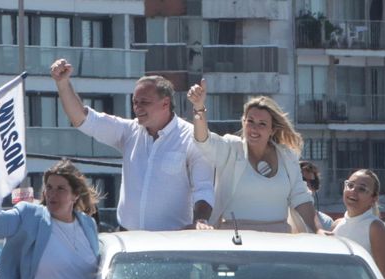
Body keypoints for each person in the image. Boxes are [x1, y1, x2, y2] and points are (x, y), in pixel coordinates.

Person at [50, 58, 214, 231]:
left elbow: (203, 188)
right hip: (129, 240)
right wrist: (62, 83)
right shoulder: (129, 132)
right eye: (135, 102)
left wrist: (200, 221)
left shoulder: (192, 137)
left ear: (165, 103)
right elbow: (82, 119)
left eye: (144, 102)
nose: (137, 108)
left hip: (172, 243)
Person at [187, 79, 320, 233]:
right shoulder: (232, 147)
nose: (255, 128)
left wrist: (319, 229)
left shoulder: (287, 156)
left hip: (279, 240)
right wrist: (198, 107)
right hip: (235, 239)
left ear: (272, 130)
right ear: (243, 123)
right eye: (250, 121)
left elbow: (301, 198)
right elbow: (203, 141)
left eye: (262, 124)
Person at [0, 159, 100, 279]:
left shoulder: (88, 224)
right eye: (49, 187)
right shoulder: (29, 216)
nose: (52, 194)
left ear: (76, 194)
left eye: (60, 189)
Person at [331, 169, 385, 279]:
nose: (353, 191)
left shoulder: (375, 228)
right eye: (350, 185)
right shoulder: (336, 225)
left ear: (373, 198)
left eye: (361, 189)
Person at [300, 160, 334, 231]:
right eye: (303, 180)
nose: (307, 186)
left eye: (312, 182)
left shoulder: (326, 222)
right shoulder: (282, 219)